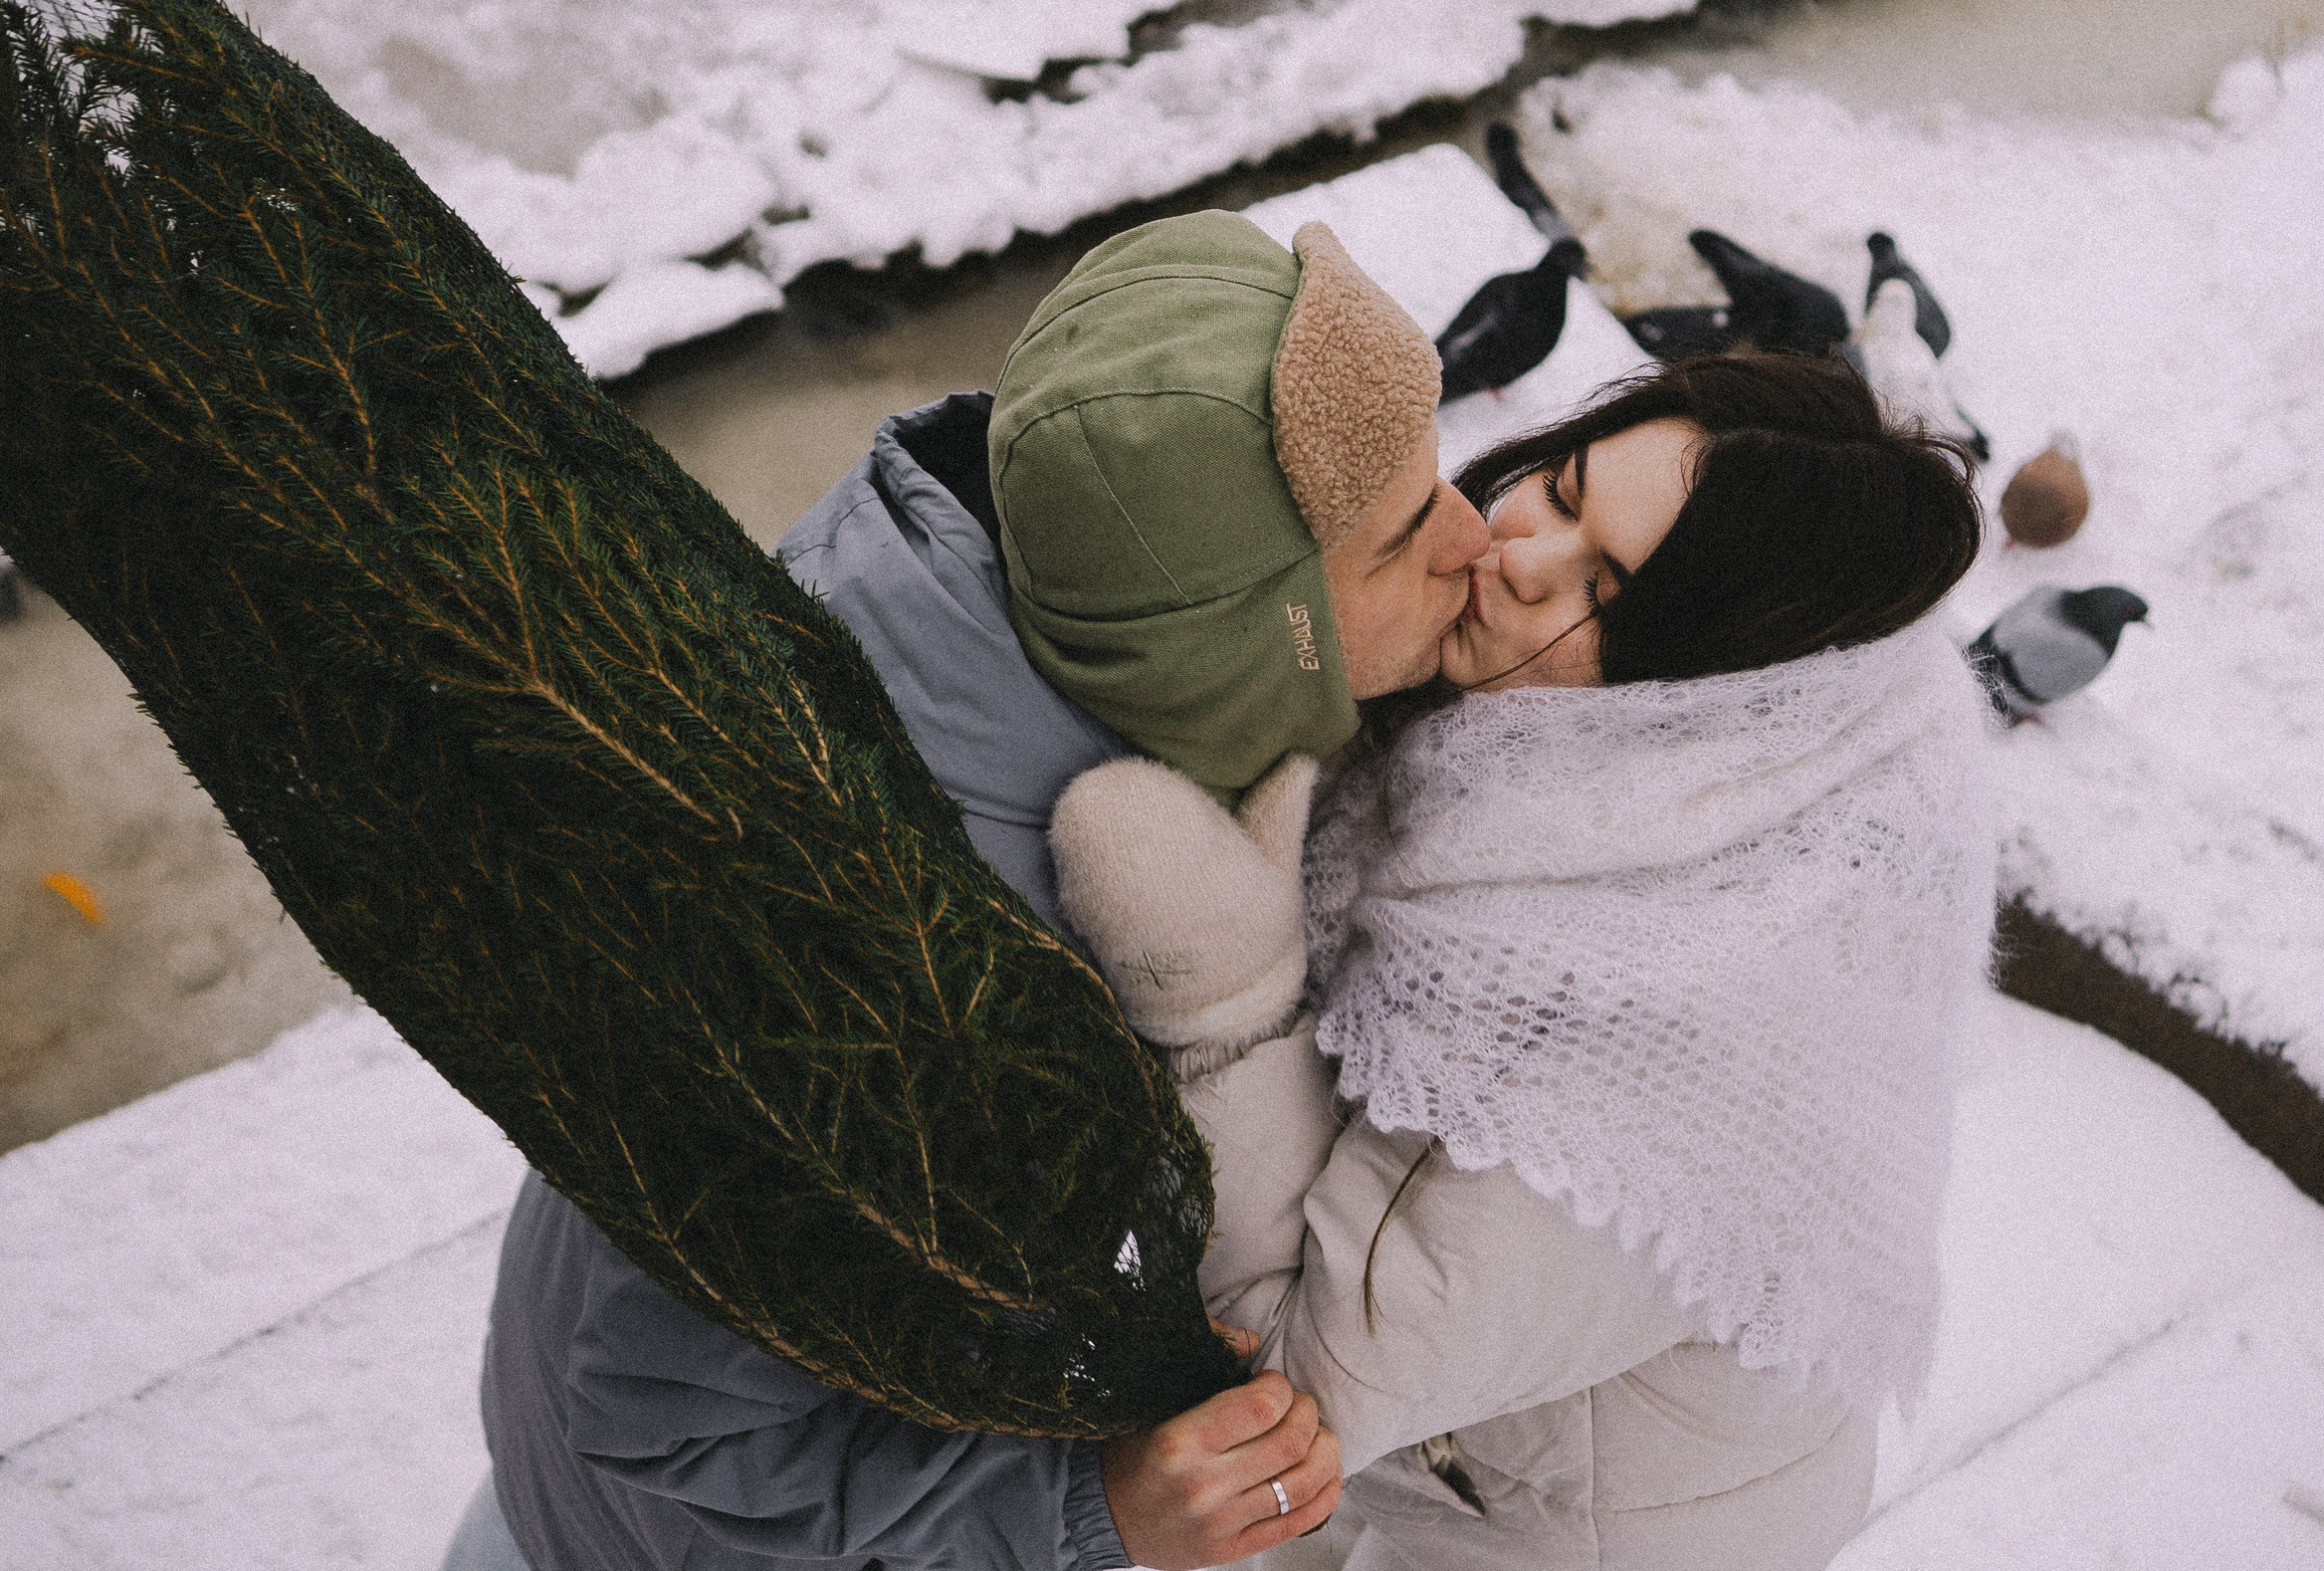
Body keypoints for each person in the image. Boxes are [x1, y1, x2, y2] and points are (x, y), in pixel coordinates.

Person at [453, 209, 1489, 1571]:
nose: (1479, 538)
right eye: (1403, 535)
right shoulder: (869, 949)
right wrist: (1081, 1511)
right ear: (1236, 640)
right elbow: (656, 1410)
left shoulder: (997, 618)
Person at [1045, 348, 1999, 1570]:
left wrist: (1226, 999)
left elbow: (1291, 1390)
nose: (1516, 555)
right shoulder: (1762, 737)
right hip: (1496, 1436)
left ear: (1706, 682)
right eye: (1557, 487)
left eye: (1605, 588)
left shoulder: (1623, 1035)